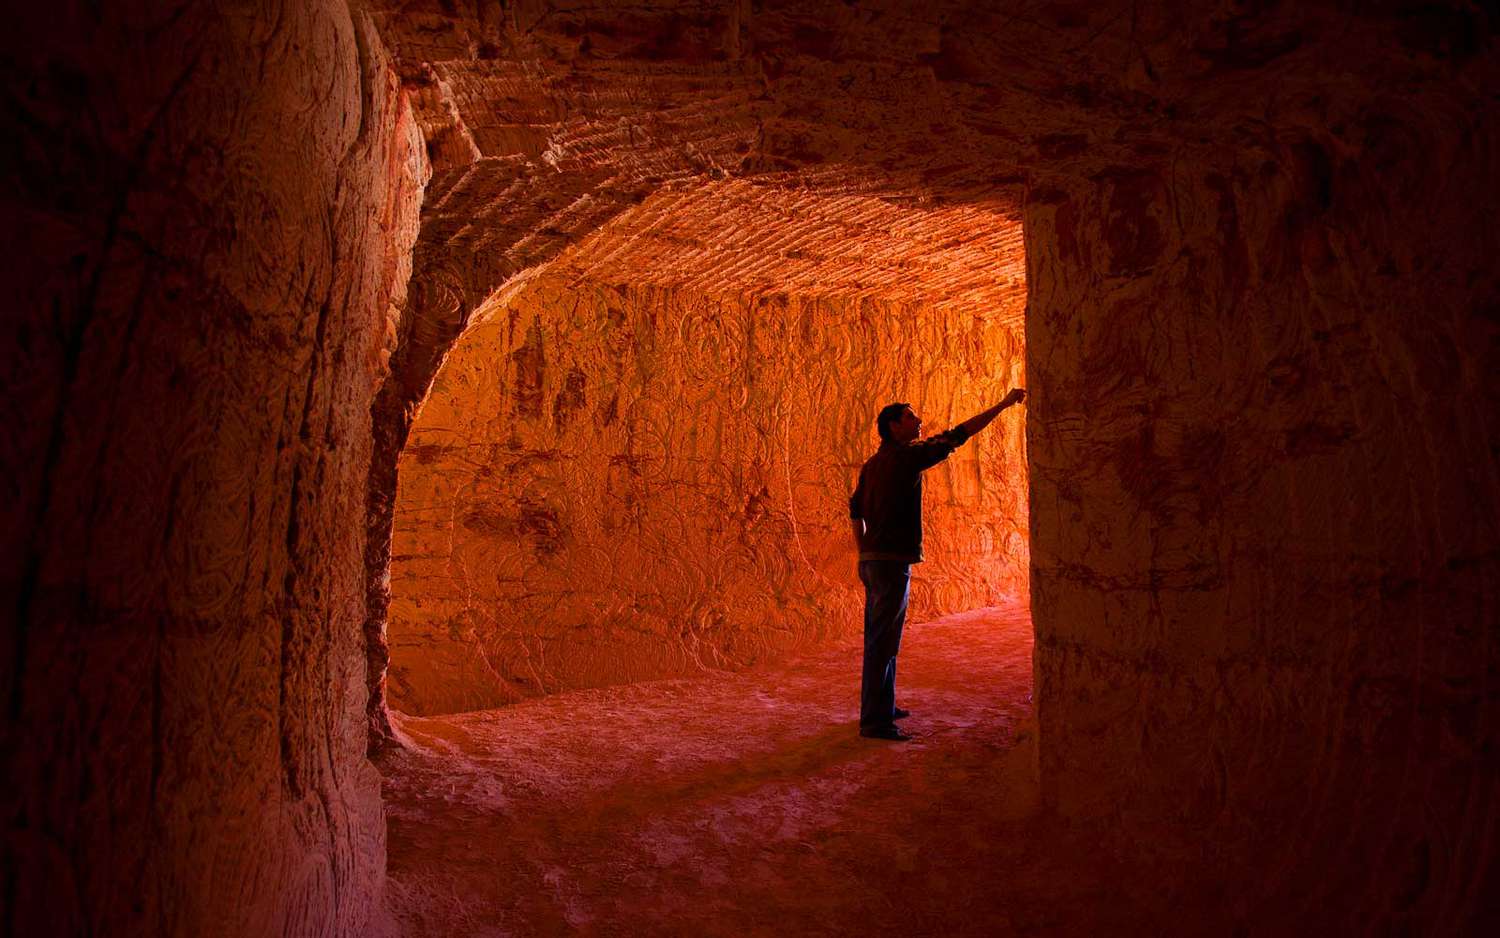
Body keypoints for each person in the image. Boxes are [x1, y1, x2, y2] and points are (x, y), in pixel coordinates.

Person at [848, 389, 1027, 740]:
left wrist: (862, 552)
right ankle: (875, 721)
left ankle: (882, 706)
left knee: (881, 637)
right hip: (891, 560)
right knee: (883, 641)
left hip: (873, 560)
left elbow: (855, 510)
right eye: (911, 416)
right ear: (893, 426)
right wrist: (1003, 404)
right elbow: (959, 434)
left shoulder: (872, 464)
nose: (918, 421)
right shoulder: (906, 457)